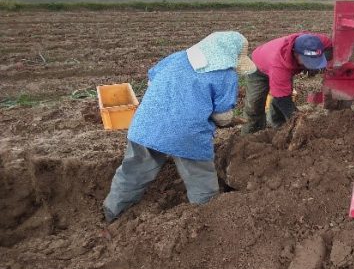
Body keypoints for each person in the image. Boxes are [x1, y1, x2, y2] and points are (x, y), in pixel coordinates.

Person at [103, 31, 255, 223]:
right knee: (200, 178)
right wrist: (226, 121)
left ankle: (112, 211)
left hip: (146, 124)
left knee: (134, 170)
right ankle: (207, 220)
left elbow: (152, 82)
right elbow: (222, 116)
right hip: (186, 134)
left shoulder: (176, 58)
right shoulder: (225, 75)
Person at [241, 33, 332, 134]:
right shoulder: (280, 65)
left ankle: (280, 129)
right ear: (296, 54)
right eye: (308, 61)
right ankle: (250, 135)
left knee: (280, 102)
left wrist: (314, 65)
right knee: (255, 105)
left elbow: (330, 48)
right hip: (258, 69)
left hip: (279, 66)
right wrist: (299, 120)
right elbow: (283, 99)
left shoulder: (315, 42)